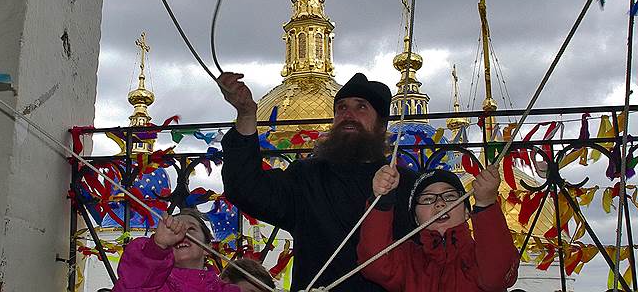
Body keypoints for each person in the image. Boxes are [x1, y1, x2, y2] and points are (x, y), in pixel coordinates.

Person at [219, 71, 417, 292]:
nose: (348, 114)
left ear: (381, 125)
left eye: (361, 107)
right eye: (341, 108)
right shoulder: (307, 177)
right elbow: (245, 187)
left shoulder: (407, 184)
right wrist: (246, 114)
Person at [357, 165, 520, 291]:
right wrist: (382, 200)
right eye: (427, 199)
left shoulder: (479, 257)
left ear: (466, 213)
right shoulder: (408, 259)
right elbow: (374, 265)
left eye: (450, 196)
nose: (440, 203)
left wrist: (486, 204)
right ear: (416, 219)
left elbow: (498, 275)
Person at [112, 208, 240, 292]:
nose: (181, 234)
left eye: (190, 229)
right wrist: (157, 248)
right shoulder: (154, 284)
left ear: (207, 247)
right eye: (173, 229)